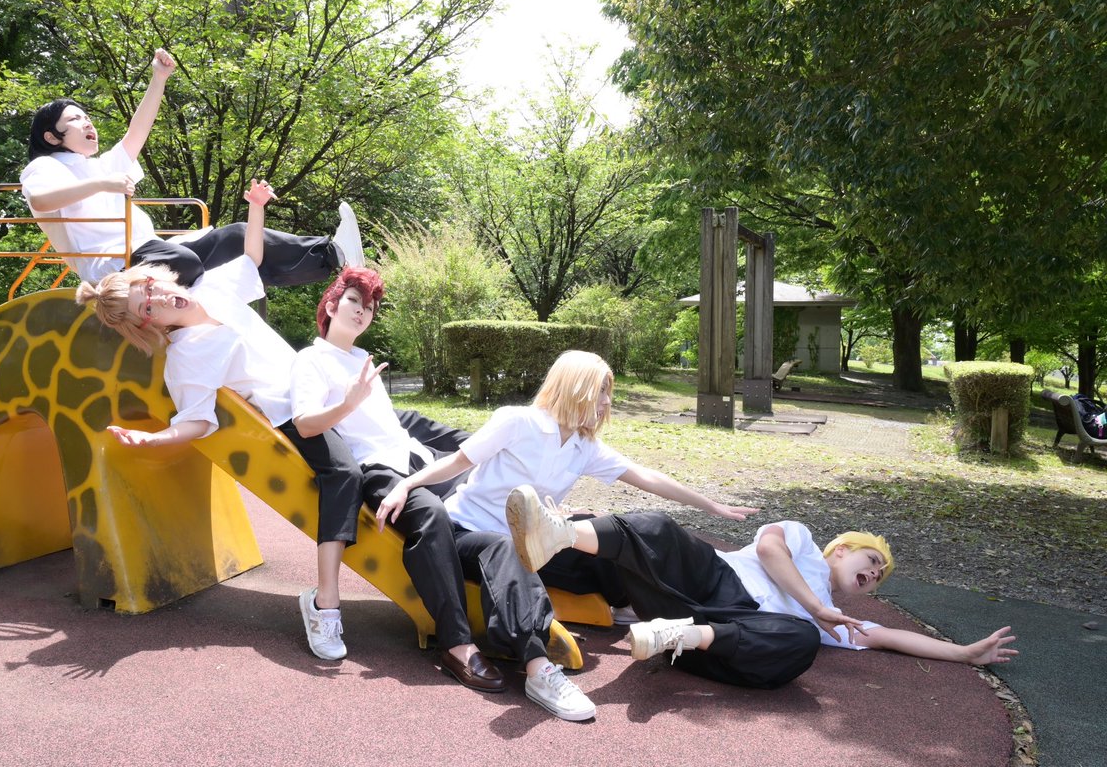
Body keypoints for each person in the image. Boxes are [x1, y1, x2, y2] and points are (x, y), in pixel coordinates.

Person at [73, 177, 364, 662]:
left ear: (158, 277)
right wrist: (154, 440)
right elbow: (195, 420)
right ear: (147, 323)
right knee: (344, 473)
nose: (157, 299)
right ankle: (324, 604)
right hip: (291, 414)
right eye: (147, 307)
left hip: (318, 387)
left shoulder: (212, 288)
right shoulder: (184, 357)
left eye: (150, 288)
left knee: (404, 441)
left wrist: (256, 208)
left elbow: (251, 259)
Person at [379, 350, 758, 718]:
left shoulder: (583, 445)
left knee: (599, 529)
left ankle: (630, 603)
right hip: (467, 534)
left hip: (529, 544)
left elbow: (645, 476)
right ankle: (538, 669)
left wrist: (710, 505)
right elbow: (457, 462)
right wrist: (406, 485)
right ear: (574, 386)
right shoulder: (517, 422)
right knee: (509, 548)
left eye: (608, 392)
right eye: (601, 390)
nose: (606, 401)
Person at [289, 267, 594, 720]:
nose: (362, 311)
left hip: (411, 458)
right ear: (331, 305)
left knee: (491, 514)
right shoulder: (311, 360)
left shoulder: (363, 359)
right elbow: (305, 424)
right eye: (353, 301)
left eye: (369, 307)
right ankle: (456, 643)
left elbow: (396, 426)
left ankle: (550, 629)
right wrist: (348, 403)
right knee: (430, 513)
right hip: (376, 471)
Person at [507, 494, 1020, 688]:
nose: (875, 573)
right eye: (872, 561)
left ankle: (678, 637)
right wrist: (816, 606)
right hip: (712, 580)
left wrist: (963, 653)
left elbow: (887, 637)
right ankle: (557, 534)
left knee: (801, 641)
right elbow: (770, 550)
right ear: (842, 549)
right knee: (657, 526)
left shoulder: (832, 618)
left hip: (716, 635)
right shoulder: (801, 540)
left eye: (879, 577)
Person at [20, 47, 363, 287]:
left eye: (87, 116)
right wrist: (103, 185)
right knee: (184, 262)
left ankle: (335, 256)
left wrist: (158, 78)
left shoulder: (100, 165)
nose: (87, 122)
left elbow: (137, 133)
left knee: (238, 236)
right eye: (75, 119)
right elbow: (40, 200)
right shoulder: (46, 167)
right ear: (51, 136)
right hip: (116, 265)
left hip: (150, 249)